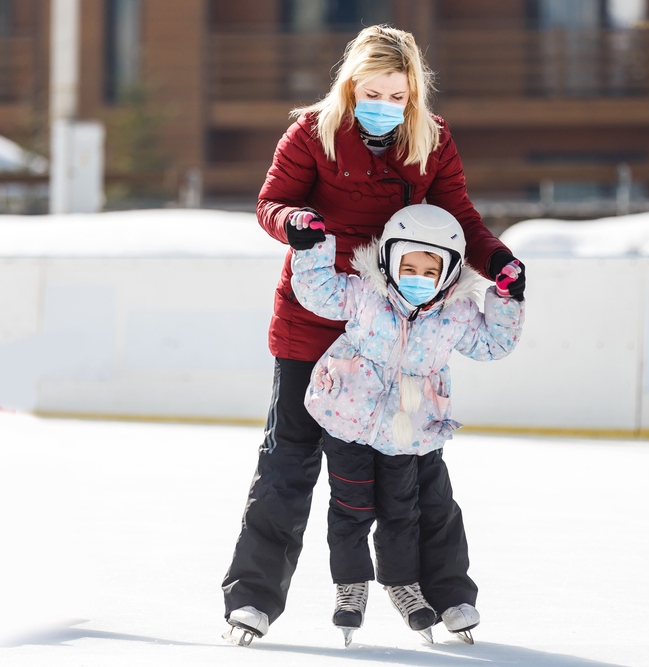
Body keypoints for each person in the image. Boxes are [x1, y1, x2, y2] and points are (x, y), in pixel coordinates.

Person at [221, 24, 526, 647]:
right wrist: (297, 223)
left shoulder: (431, 139)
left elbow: (460, 219)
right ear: (351, 84)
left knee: (417, 466)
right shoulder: (312, 131)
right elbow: (270, 201)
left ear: (413, 91)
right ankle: (252, 600)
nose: (384, 103)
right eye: (372, 90)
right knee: (288, 461)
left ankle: (448, 596)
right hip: (314, 319)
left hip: (395, 326)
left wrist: (496, 262)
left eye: (397, 93)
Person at [288, 204, 523, 646]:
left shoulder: (455, 316)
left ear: (449, 273)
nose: (417, 276)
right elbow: (318, 292)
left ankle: (403, 585)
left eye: (429, 269)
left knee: (401, 515)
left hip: (407, 432)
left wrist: (508, 298)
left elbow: (494, 344)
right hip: (347, 422)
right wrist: (312, 247)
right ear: (389, 262)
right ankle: (350, 587)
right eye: (408, 266)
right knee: (350, 511)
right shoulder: (365, 295)